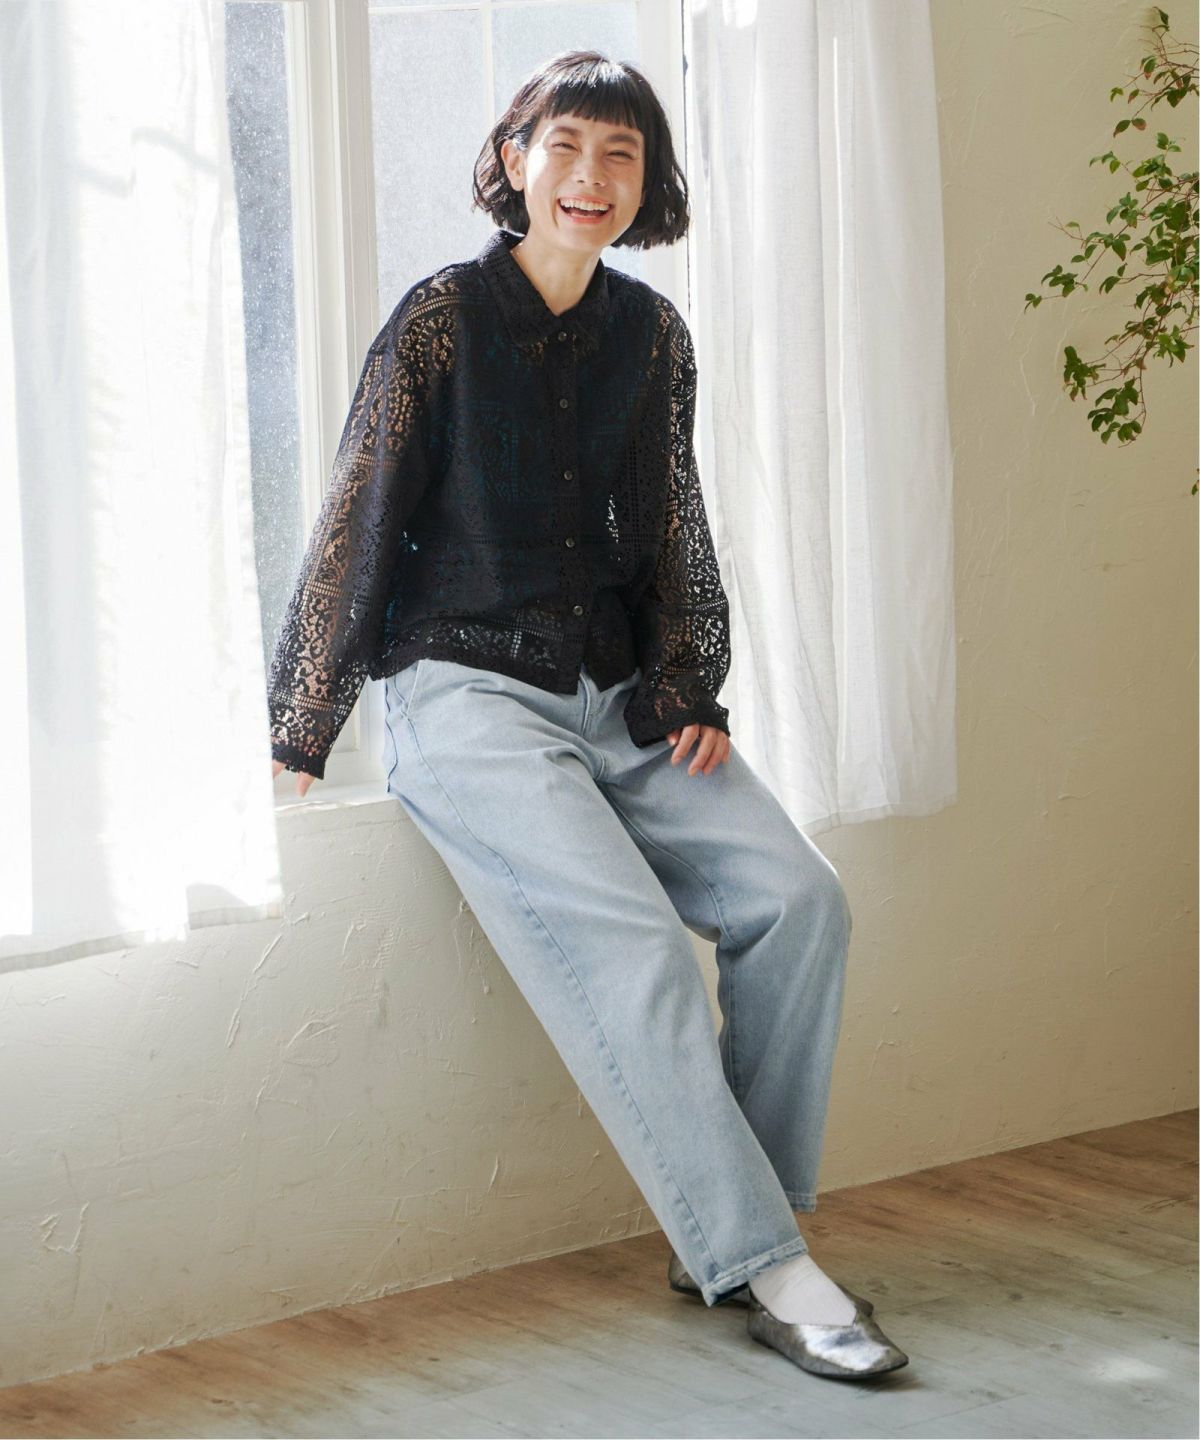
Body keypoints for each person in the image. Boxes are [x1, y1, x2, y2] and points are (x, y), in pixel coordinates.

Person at [268, 49, 908, 1381]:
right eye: (566, 146)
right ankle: (773, 1265)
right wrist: (303, 725)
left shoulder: (652, 335)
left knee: (802, 901)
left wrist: (686, 684)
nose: (591, 176)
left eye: (621, 153)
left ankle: (734, 1226)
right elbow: (360, 513)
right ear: (515, 161)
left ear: (646, 180)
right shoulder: (440, 321)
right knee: (639, 955)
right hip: (465, 694)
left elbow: (670, 523)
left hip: (615, 694)